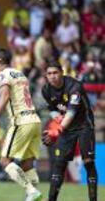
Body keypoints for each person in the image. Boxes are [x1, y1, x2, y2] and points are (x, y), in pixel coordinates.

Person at [0, 48, 42, 201]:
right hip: (35, 120)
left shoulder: (2, 75)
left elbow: (5, 95)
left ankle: (31, 191)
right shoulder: (20, 73)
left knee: (5, 160)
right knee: (27, 164)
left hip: (21, 121)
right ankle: (35, 196)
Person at [41, 60, 97, 201]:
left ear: (62, 73)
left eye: (55, 72)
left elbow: (71, 113)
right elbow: (52, 109)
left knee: (88, 162)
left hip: (84, 125)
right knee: (59, 163)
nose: (52, 76)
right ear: (46, 75)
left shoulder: (75, 87)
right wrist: (57, 120)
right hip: (67, 128)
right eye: (49, 73)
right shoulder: (46, 90)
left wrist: (58, 130)